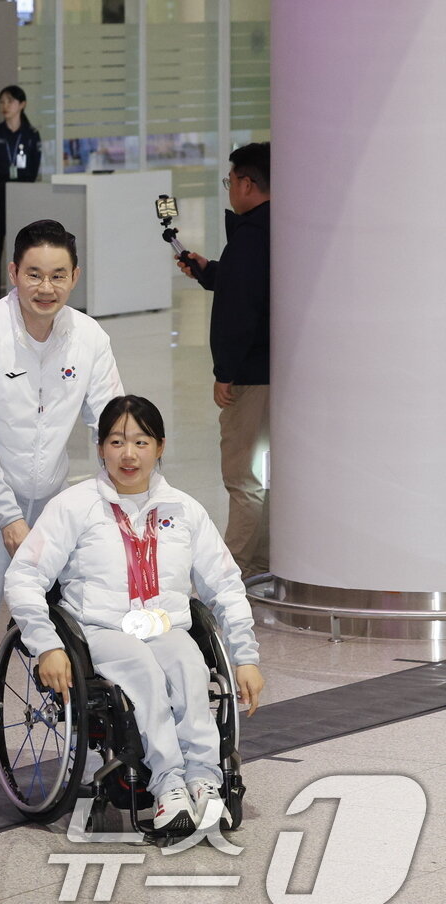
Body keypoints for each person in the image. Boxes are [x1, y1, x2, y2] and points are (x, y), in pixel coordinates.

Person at [5, 395, 265, 835]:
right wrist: (46, 644)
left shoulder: (183, 510)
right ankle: (167, 785)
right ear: (101, 447)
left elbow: (224, 584)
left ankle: (203, 779)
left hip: (167, 628)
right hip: (100, 631)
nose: (129, 454)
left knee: (187, 663)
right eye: (117, 441)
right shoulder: (75, 506)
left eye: (141, 442)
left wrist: (246, 656)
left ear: (160, 447)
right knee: (142, 668)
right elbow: (24, 576)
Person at [0, 219, 123, 784]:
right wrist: (8, 516)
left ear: (75, 277)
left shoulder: (89, 338)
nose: (46, 288)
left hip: (55, 505)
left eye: (59, 276)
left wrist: (116, 498)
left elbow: (111, 420)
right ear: (14, 273)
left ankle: (84, 736)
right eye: (34, 275)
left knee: (79, 621)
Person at [176, 142, 271, 578]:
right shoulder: (274, 229)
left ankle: (234, 571)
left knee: (242, 475)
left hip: (251, 374)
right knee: (261, 475)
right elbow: (246, 284)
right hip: (275, 370)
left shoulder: (252, 237)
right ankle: (266, 564)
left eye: (231, 180)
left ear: (248, 183)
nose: (229, 188)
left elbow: (240, 311)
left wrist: (224, 372)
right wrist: (208, 269)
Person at [0, 85, 42, 303]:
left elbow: (34, 169)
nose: (5, 106)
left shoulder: (31, 135)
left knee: (23, 249)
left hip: (22, 194)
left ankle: (23, 297)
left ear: (22, 104)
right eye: (2, 101)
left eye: (10, 101)